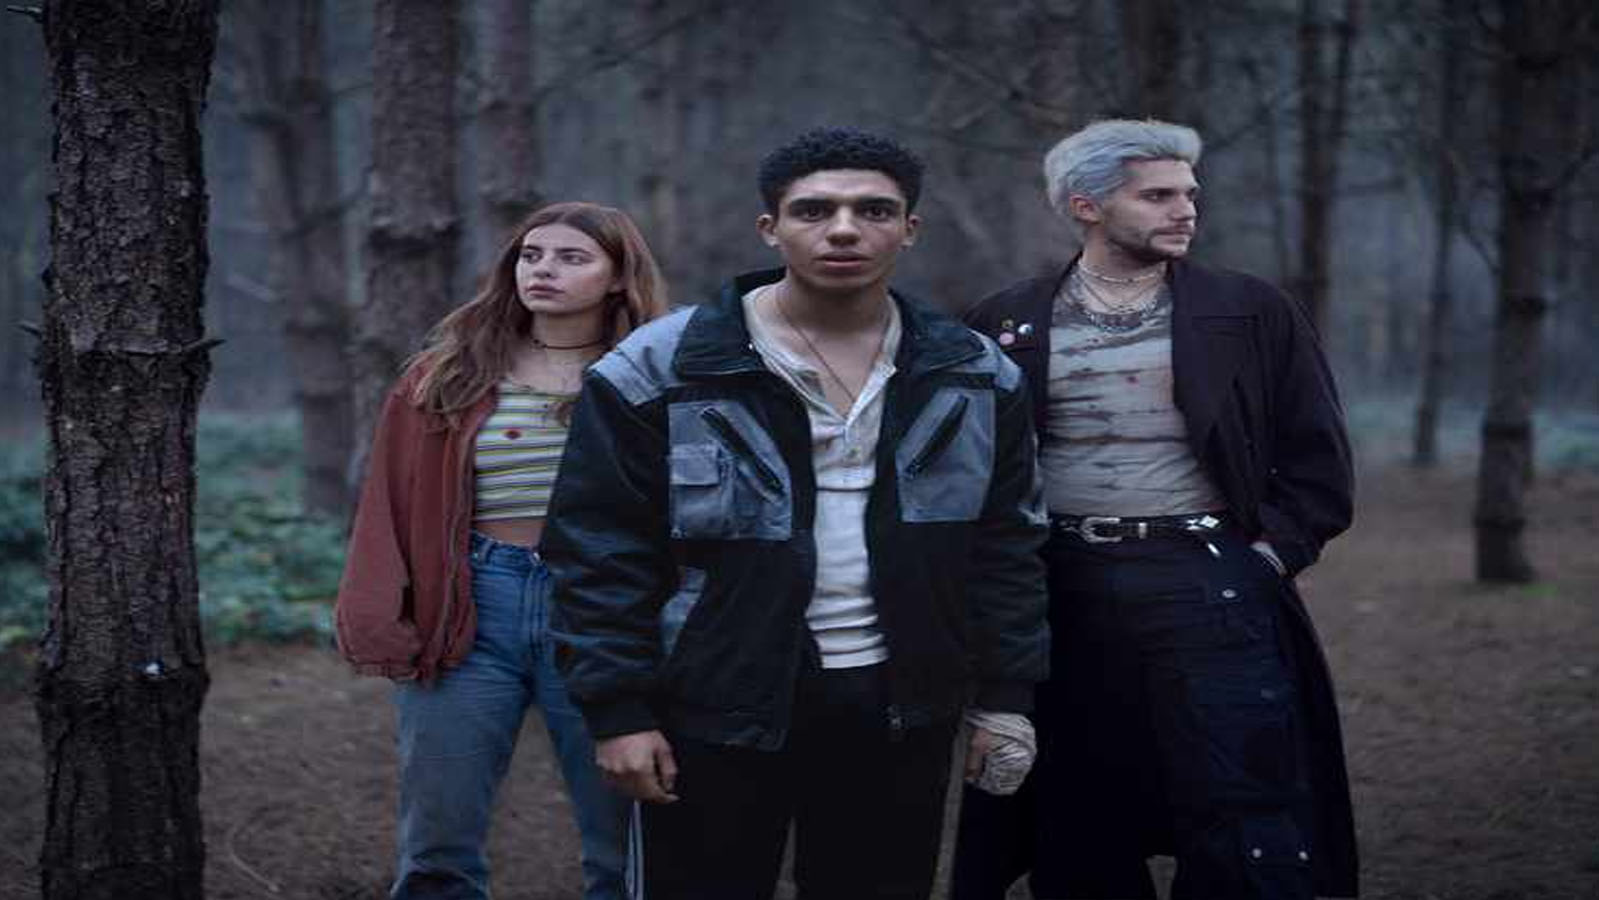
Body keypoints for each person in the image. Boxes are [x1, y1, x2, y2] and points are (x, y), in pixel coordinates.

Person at [540, 127, 1051, 900]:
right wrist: (618, 711)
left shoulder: (974, 373)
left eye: (873, 210)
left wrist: (1006, 698)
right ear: (769, 228)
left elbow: (1006, 545)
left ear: (909, 229)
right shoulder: (662, 365)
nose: (844, 229)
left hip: (901, 705)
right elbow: (598, 547)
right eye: (813, 210)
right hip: (713, 702)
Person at [951, 119, 1359, 899]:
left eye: (1189, 194)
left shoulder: (1248, 310)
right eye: (1158, 196)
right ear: (1086, 205)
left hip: (1208, 581)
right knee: (1076, 814)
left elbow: (1318, 460)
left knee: (1240, 805)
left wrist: (1268, 556)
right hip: (1060, 586)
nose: (1185, 210)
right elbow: (973, 472)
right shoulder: (1007, 321)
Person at [334, 202, 669, 900]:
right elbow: (389, 499)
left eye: (572, 258)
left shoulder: (653, 374)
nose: (543, 270)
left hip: (602, 612)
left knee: (624, 841)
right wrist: (380, 611)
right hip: (472, 604)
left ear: (617, 277)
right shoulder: (451, 372)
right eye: (531, 255)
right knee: (438, 840)